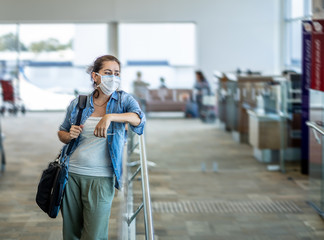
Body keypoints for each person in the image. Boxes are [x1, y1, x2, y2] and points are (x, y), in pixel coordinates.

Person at [58, 55, 146, 240]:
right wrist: (70, 134)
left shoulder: (123, 101)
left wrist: (110, 117)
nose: (113, 78)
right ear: (95, 76)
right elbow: (62, 133)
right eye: (108, 73)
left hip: (101, 177)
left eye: (116, 73)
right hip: (72, 174)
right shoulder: (79, 103)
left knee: (95, 235)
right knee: (71, 234)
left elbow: (139, 120)